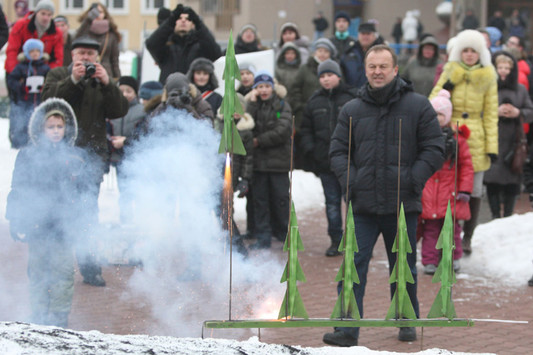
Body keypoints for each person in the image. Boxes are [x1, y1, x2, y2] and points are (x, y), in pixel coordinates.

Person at [323, 44, 444, 346]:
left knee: (402, 265)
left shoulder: (418, 106)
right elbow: (337, 150)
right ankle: (346, 329)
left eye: (383, 66)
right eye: (372, 66)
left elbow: (434, 148)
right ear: (365, 70)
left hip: (402, 204)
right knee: (352, 264)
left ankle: (406, 319)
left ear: (395, 70)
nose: (377, 72)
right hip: (362, 204)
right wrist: (352, 180)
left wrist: (412, 180)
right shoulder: (351, 109)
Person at [41, 36, 129, 287]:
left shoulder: (102, 80)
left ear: (97, 58)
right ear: (72, 55)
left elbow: (119, 109)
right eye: (80, 53)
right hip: (59, 155)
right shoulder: (58, 74)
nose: (85, 58)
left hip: (91, 157)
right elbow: (50, 102)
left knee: (88, 213)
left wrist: (108, 83)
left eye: (90, 54)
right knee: (55, 211)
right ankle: (53, 266)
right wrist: (73, 80)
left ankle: (90, 268)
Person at [6, 97, 90, 328]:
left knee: (63, 272)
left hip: (64, 226)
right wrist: (15, 218)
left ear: (67, 127)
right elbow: (19, 188)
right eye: (50, 127)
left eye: (59, 127)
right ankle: (39, 314)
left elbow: (84, 193)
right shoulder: (28, 155)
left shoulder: (76, 155)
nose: (55, 131)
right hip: (38, 224)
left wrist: (83, 221)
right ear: (41, 129)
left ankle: (59, 316)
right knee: (39, 271)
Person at [430, 29, 499, 255]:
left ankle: (467, 236)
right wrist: (445, 91)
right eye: (465, 50)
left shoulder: (489, 75)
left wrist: (492, 146)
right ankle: (448, 234)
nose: (469, 55)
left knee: (474, 190)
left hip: (476, 136)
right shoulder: (450, 70)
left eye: (474, 51)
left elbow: (490, 113)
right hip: (450, 135)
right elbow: (433, 103)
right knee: (449, 187)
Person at [299, 59, 357, 257]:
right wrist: (311, 150)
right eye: (322, 76)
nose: (325, 79)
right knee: (331, 204)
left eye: (329, 75)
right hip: (325, 162)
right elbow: (305, 129)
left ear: (338, 76)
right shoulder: (314, 101)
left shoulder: (352, 98)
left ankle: (356, 240)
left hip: (350, 162)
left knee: (353, 203)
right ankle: (336, 240)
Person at [419, 89, 474, 275]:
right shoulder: (422, 137)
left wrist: (465, 189)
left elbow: (466, 165)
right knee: (431, 230)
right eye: (433, 114)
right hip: (429, 193)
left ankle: (453, 257)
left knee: (452, 230)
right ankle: (429, 260)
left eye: (441, 114)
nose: (437, 118)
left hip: (451, 192)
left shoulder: (458, 140)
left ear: (448, 116)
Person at [245, 70, 292, 249]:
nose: (264, 90)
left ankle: (284, 234)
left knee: (281, 200)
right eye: (259, 87)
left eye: (266, 86)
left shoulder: (282, 105)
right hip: (258, 164)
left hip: (278, 164)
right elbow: (246, 124)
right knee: (260, 202)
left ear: (273, 87)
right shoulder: (252, 104)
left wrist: (259, 140)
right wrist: (252, 104)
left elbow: (283, 130)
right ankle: (263, 237)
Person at [484, 51, 533, 219]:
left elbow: (530, 111)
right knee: (492, 181)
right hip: (492, 138)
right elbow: (478, 111)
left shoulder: (520, 89)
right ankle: (495, 215)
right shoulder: (488, 87)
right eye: (500, 67)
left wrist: (517, 112)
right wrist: (494, 112)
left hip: (514, 142)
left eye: (507, 68)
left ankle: (509, 216)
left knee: (512, 181)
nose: (503, 71)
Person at [145, 3, 221, 83]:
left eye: (188, 19)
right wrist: (171, 20)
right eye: (179, 18)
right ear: (174, 22)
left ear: (193, 24)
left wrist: (199, 23)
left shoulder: (200, 45)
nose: (183, 20)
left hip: (195, 92)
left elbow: (215, 53)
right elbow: (151, 44)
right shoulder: (166, 46)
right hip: (170, 91)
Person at [108, 76, 146, 224]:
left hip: (135, 158)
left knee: (137, 189)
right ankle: (125, 220)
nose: (125, 94)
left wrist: (126, 141)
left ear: (135, 93)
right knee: (123, 190)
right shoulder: (112, 109)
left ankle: (140, 221)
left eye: (128, 91)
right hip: (118, 157)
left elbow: (142, 134)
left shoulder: (141, 110)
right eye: (121, 90)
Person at [7, 38, 51, 149]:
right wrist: (22, 87)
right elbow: (11, 80)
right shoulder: (21, 67)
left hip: (40, 101)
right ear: (27, 53)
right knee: (22, 123)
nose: (35, 54)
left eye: (37, 51)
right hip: (25, 100)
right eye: (32, 51)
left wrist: (45, 87)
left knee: (40, 122)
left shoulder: (45, 68)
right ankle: (19, 144)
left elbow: (51, 81)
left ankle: (40, 143)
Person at [5, 0, 63, 75]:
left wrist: (49, 75)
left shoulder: (56, 33)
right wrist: (15, 72)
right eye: (43, 13)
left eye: (49, 15)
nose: (46, 18)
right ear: (36, 13)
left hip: (43, 72)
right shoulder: (21, 26)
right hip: (20, 69)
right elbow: (12, 50)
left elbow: (58, 58)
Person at [75, 2, 121, 79]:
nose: (97, 14)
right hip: (85, 72)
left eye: (100, 12)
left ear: (105, 15)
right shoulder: (85, 31)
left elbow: (114, 60)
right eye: (94, 12)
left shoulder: (111, 35)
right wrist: (88, 20)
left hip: (106, 73)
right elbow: (75, 41)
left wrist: (117, 78)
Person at [338, 22, 384, 89]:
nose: (365, 37)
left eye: (368, 34)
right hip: (351, 94)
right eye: (363, 34)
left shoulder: (382, 53)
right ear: (358, 35)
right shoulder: (349, 53)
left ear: (374, 36)